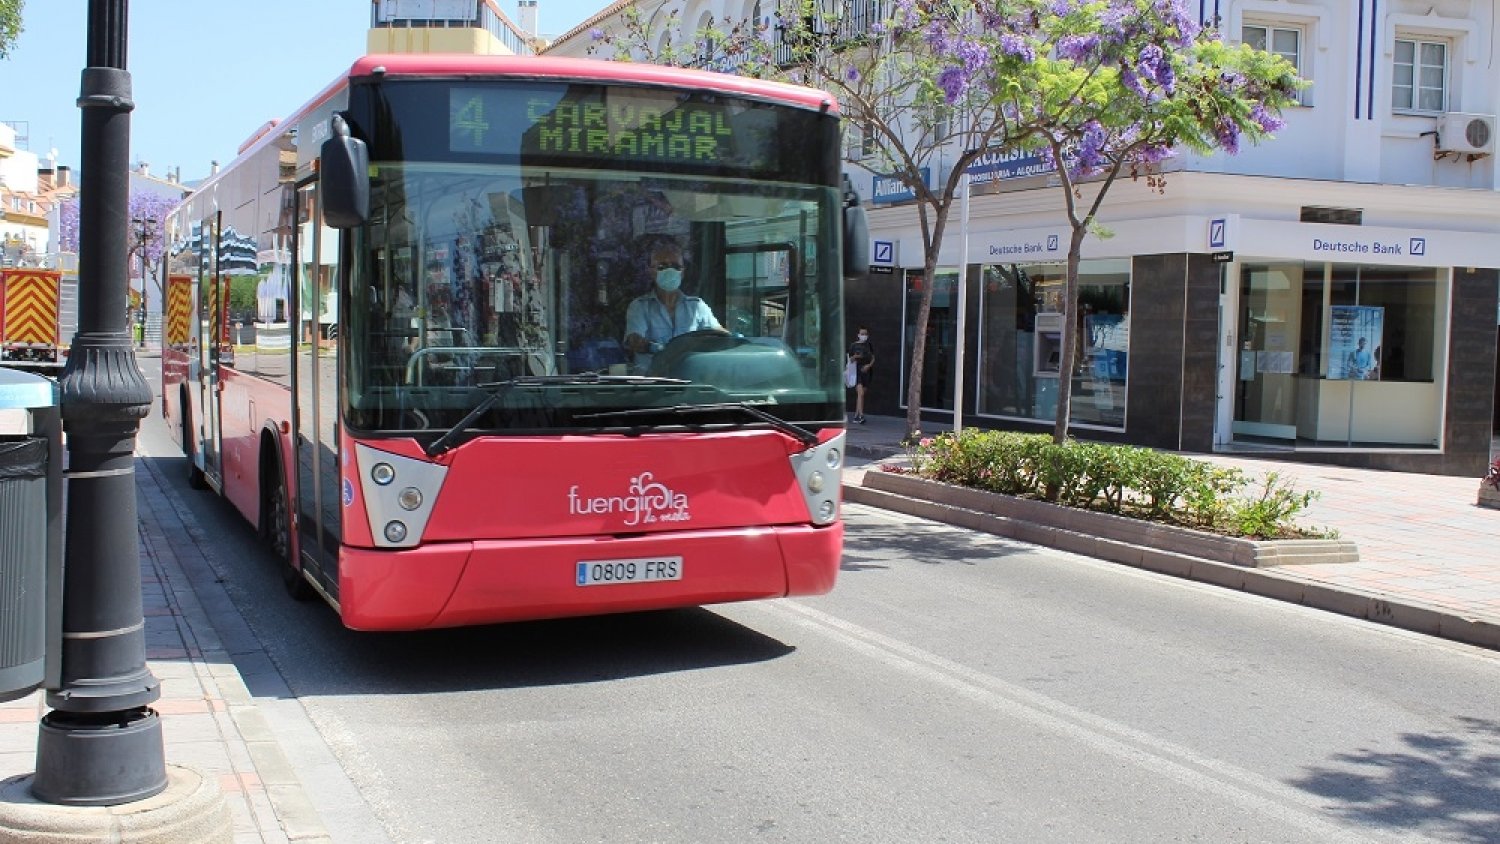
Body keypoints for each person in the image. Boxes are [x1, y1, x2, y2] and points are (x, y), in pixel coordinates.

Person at [622, 240, 722, 373]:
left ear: (683, 272)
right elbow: (634, 341)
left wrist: (734, 339)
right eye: (662, 266)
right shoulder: (640, 307)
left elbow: (719, 334)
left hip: (690, 384)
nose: (670, 271)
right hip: (652, 385)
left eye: (675, 266)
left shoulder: (697, 307)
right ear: (652, 272)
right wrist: (656, 348)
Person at [847, 326, 875, 423]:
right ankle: (861, 415)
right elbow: (850, 359)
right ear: (858, 335)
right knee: (860, 393)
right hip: (857, 371)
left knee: (861, 395)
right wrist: (855, 356)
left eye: (865, 334)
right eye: (862, 334)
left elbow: (873, 357)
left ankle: (856, 415)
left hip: (866, 372)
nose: (864, 336)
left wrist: (869, 365)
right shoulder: (853, 346)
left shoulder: (869, 345)